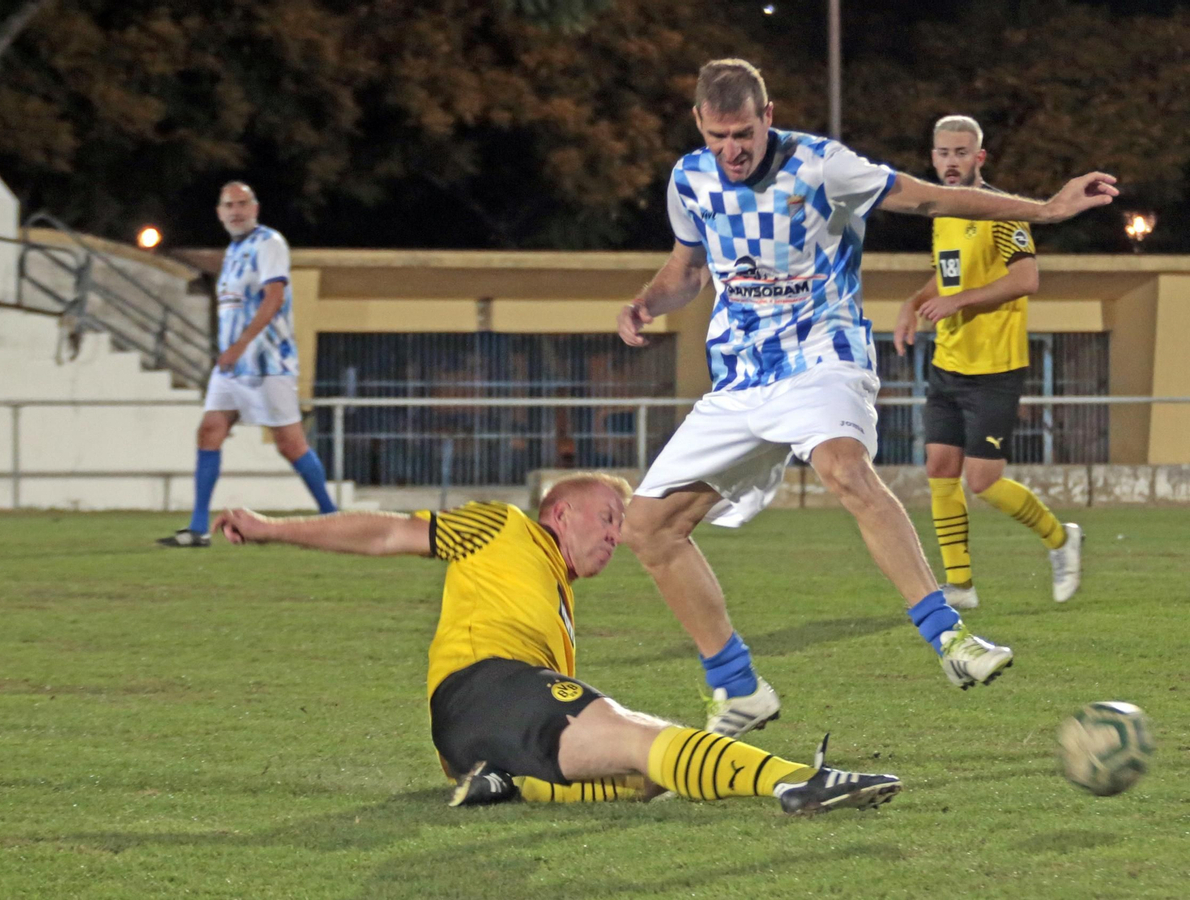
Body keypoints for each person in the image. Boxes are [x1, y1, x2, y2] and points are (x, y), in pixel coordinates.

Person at [616, 59, 1116, 737]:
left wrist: (1047, 211)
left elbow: (930, 198)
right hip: (740, 378)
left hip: (823, 356)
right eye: (717, 136)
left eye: (743, 134)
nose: (731, 150)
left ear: (768, 117)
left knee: (843, 468)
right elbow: (687, 270)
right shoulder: (690, 178)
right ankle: (738, 688)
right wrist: (646, 303)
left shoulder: (824, 166)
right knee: (647, 529)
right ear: (700, 125)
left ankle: (952, 641)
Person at [210, 473, 902, 815]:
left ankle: (497, 783)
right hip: (487, 687)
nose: (614, 534)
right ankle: (796, 781)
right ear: (558, 511)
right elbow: (388, 532)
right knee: (640, 734)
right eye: (606, 517)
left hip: (467, 734)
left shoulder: (555, 594)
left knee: (639, 778)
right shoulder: (503, 526)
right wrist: (272, 527)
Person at [892, 115, 1083, 609]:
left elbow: (1026, 278)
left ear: (980, 158)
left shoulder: (1002, 213)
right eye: (942, 153)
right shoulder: (943, 215)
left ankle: (1061, 540)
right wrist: (913, 303)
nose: (950, 162)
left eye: (961, 153)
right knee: (938, 466)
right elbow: (946, 277)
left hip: (994, 367)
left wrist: (961, 302)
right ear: (932, 158)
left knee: (983, 481)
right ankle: (960, 586)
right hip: (949, 360)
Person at [158, 182, 337, 548]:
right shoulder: (234, 250)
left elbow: (274, 296)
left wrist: (240, 345)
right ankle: (197, 529)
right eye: (229, 205)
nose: (236, 211)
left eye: (242, 204)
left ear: (255, 208)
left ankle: (333, 519)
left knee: (291, 444)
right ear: (219, 212)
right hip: (232, 366)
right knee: (210, 431)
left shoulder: (269, 243)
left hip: (268, 362)